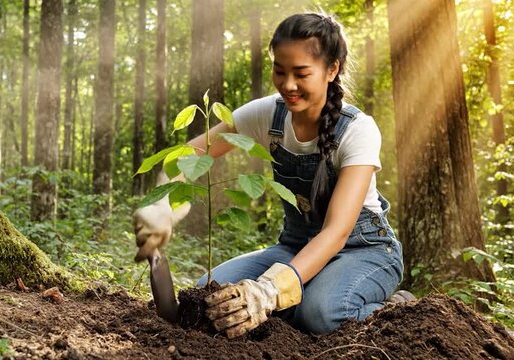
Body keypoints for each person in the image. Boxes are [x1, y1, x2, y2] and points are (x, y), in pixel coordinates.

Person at [133, 12, 413, 339]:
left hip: (363, 251)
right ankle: (302, 298)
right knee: (209, 299)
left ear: (332, 69)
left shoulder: (357, 130)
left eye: (301, 73)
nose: (288, 85)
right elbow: (191, 155)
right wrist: (161, 205)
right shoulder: (267, 114)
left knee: (323, 314)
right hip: (294, 247)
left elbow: (336, 232)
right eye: (280, 71)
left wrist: (268, 290)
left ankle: (398, 311)